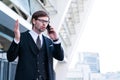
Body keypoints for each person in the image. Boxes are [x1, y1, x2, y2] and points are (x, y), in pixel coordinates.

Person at [7, 10, 64, 80]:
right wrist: (16, 40)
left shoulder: (49, 41)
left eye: (46, 22)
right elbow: (10, 58)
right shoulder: (22, 37)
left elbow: (60, 57)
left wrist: (56, 40)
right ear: (34, 21)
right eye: (42, 21)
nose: (44, 24)